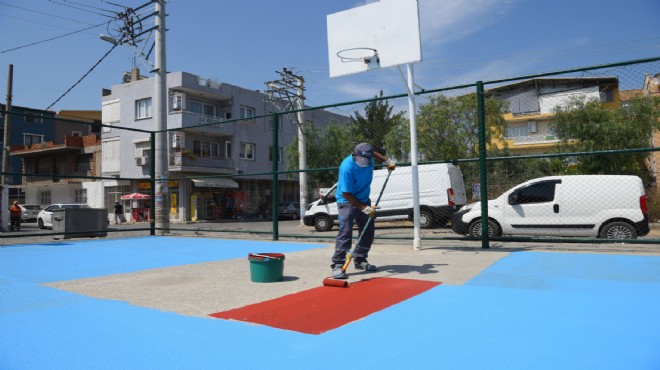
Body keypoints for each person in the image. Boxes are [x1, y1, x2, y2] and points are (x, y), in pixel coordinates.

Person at [331, 143, 396, 279]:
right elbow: (346, 193)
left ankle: (360, 260)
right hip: (346, 201)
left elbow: (374, 153)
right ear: (354, 155)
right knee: (346, 230)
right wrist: (364, 208)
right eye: (361, 159)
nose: (364, 163)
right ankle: (338, 264)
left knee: (367, 230)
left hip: (363, 198)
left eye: (367, 159)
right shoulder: (347, 167)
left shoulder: (368, 157)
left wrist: (387, 160)